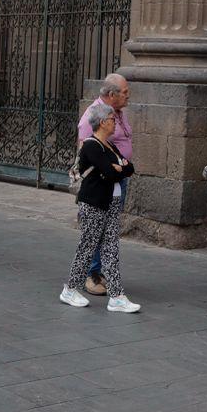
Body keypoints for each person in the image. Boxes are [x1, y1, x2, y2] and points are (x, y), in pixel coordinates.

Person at [59, 101, 140, 313]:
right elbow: (111, 172)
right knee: (87, 247)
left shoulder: (110, 146)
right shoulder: (91, 145)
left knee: (111, 248)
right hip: (94, 203)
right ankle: (69, 289)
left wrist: (118, 167)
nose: (116, 123)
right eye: (113, 120)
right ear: (103, 122)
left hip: (111, 203)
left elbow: (129, 168)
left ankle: (116, 296)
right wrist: (117, 168)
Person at [75, 73, 131, 295]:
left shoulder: (117, 113)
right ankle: (91, 274)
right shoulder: (94, 116)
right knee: (96, 229)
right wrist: (110, 171)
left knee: (109, 228)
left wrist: (124, 169)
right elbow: (86, 151)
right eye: (125, 92)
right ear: (111, 94)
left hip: (117, 181)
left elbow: (123, 154)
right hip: (102, 184)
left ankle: (101, 272)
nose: (128, 96)